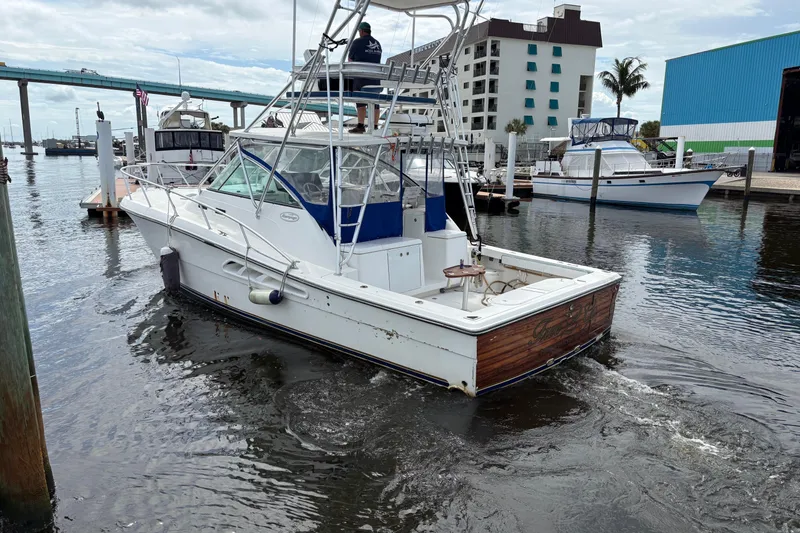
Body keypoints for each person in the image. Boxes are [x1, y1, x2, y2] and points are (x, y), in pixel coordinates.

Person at [347, 21, 382, 134]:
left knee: (360, 99)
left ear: (361, 31)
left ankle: (361, 125)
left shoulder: (357, 42)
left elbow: (350, 60)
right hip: (376, 80)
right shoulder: (377, 44)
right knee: (375, 101)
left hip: (362, 78)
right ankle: (375, 126)